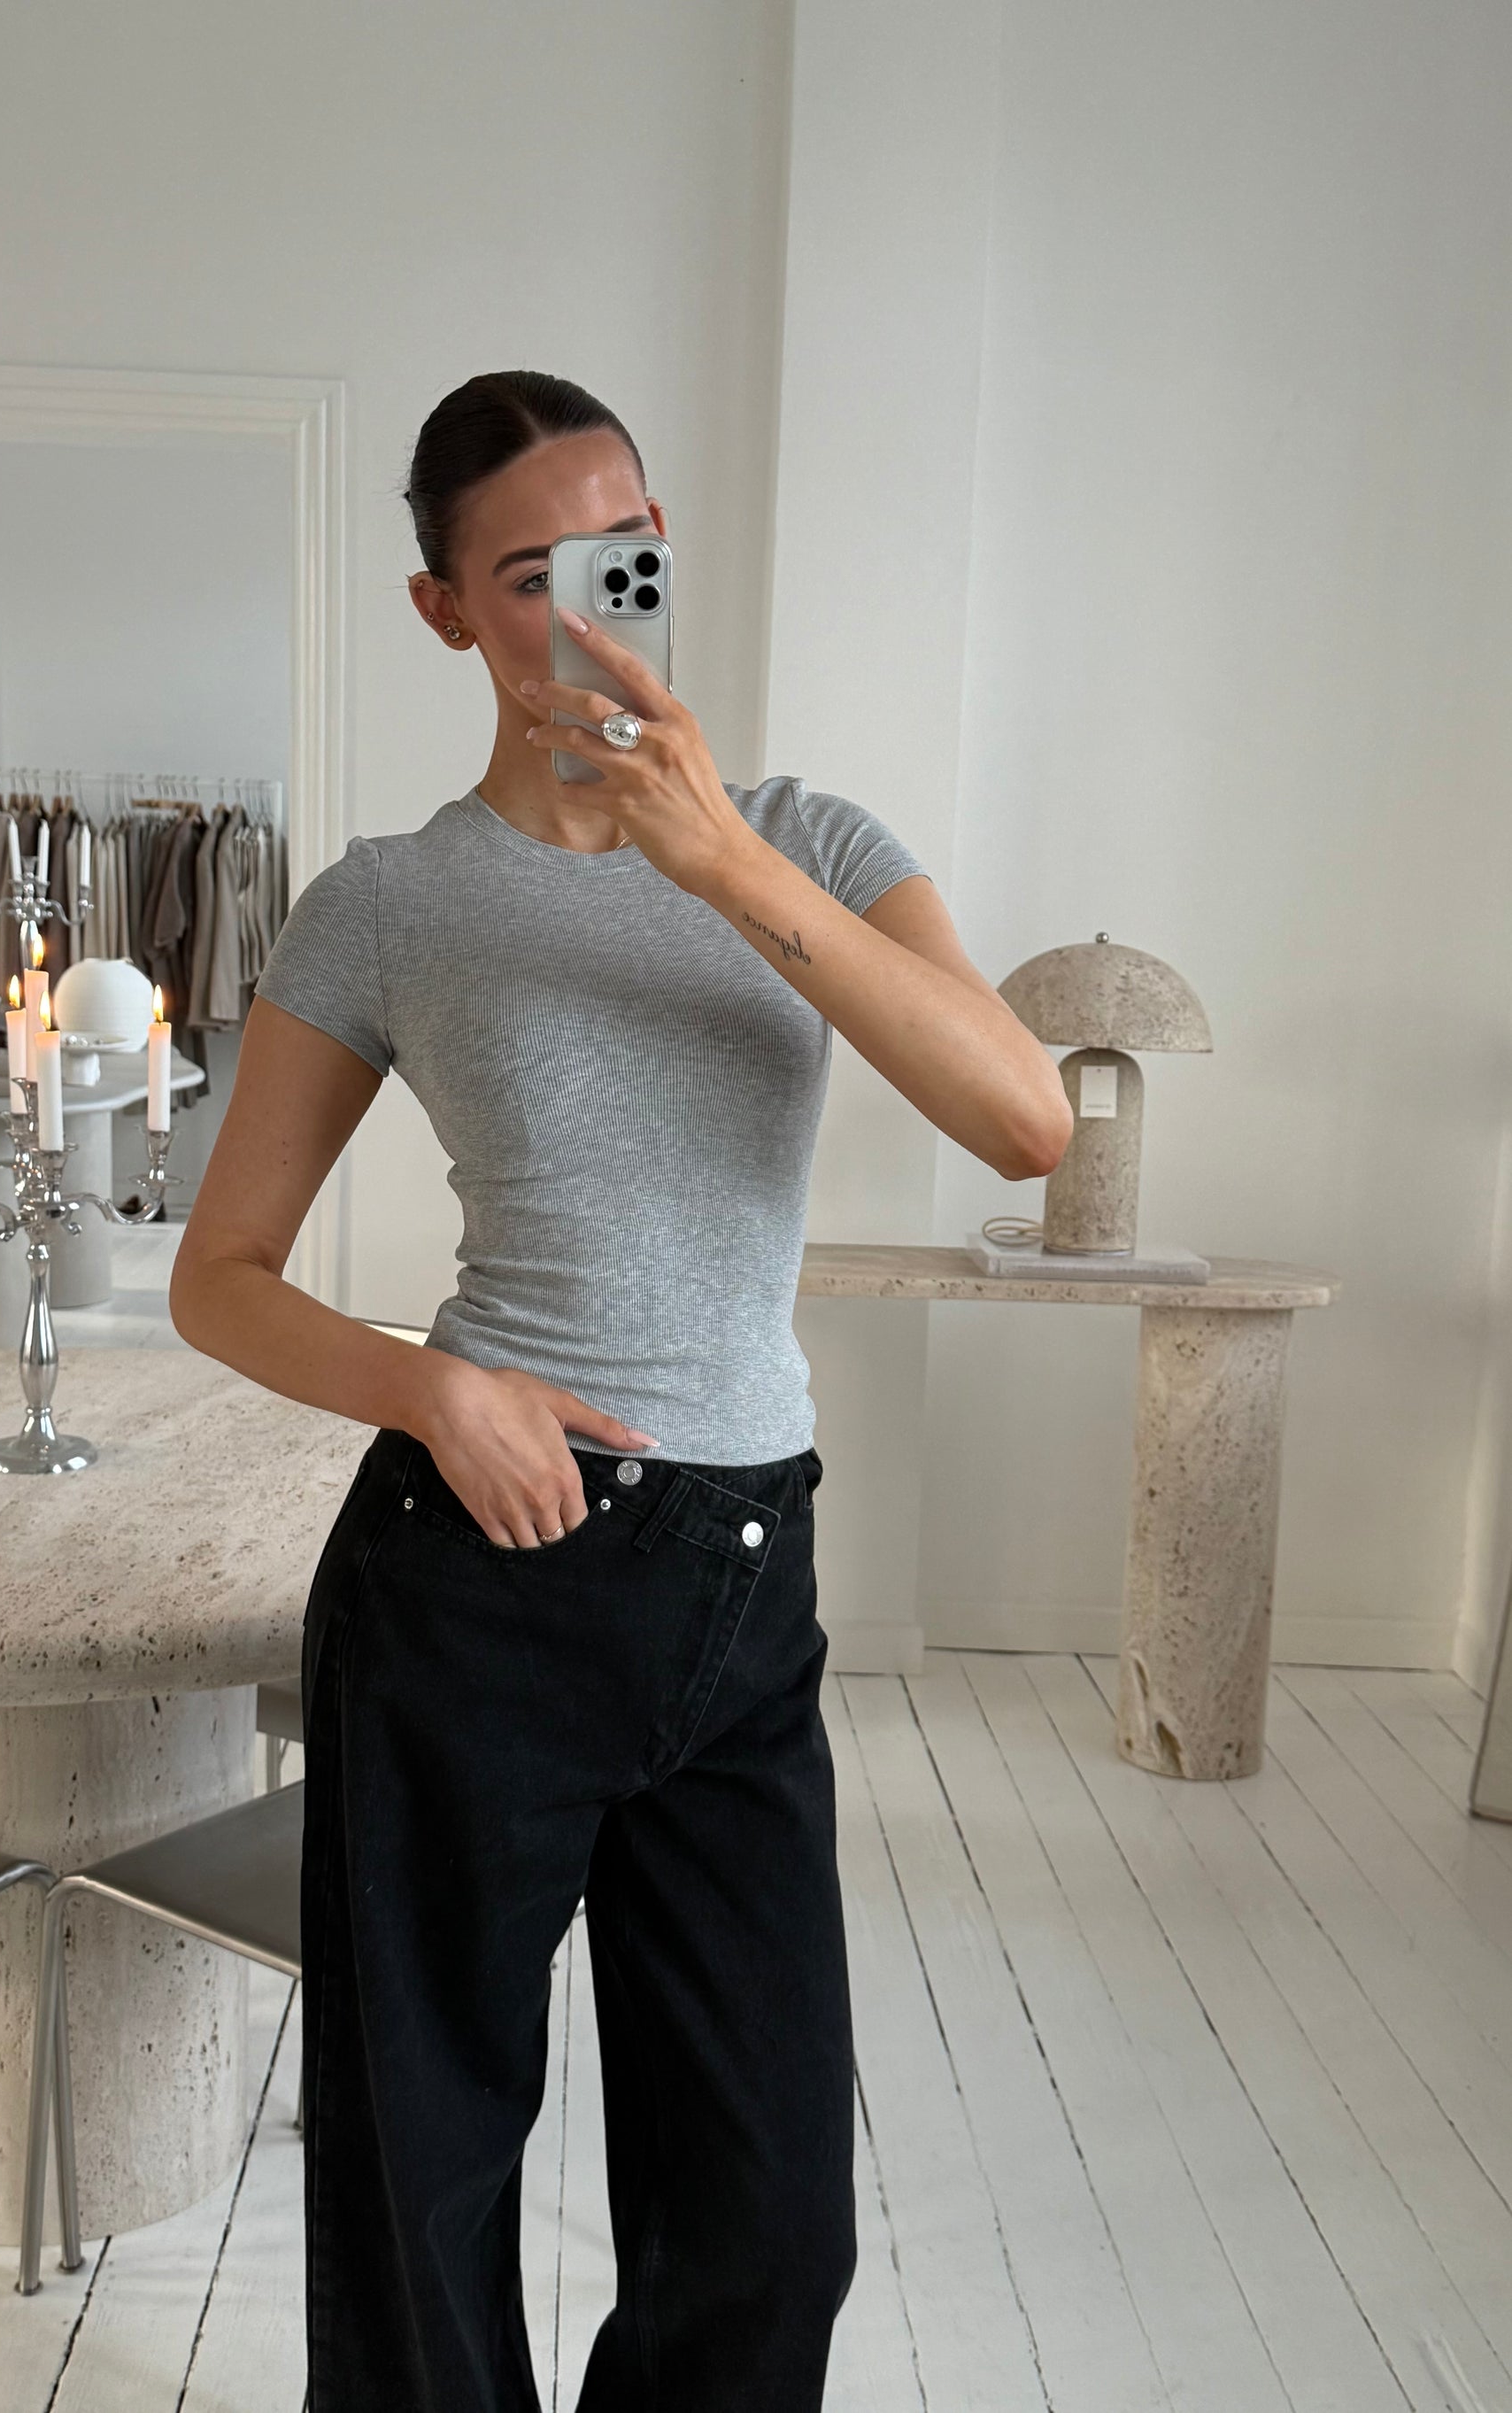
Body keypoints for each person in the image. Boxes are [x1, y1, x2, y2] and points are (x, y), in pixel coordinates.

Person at [169, 368, 1072, 2413]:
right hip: (473, 1577)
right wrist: (434, 1389)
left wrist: (718, 858)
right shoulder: (390, 900)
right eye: (529, 574)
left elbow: (1025, 1122)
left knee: (770, 2224)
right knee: (417, 2192)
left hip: (743, 1582)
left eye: (624, 548)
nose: (590, 601)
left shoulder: (815, 844)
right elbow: (218, 1280)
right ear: (443, 613)